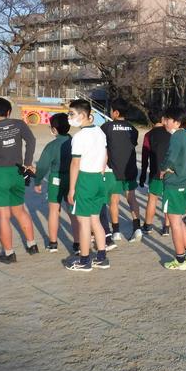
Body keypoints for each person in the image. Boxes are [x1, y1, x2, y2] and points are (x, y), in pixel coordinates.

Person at [0, 97, 38, 263]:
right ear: (9, 111)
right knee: (20, 210)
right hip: (17, 172)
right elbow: (31, 140)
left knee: (3, 216)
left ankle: (9, 253)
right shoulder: (19, 124)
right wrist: (28, 163)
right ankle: (32, 245)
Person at [66, 99, 109, 271]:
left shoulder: (79, 137)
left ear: (83, 115)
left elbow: (75, 163)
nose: (69, 117)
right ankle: (102, 257)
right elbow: (105, 155)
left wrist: (71, 189)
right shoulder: (100, 131)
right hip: (99, 178)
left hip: (85, 179)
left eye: (72, 114)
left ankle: (84, 261)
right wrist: (101, 172)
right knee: (95, 219)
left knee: (83, 222)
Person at [159, 106, 186, 270]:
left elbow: (170, 157)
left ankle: (180, 260)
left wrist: (163, 169)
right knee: (180, 220)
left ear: (176, 122)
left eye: (167, 119)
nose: (165, 122)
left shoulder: (176, 137)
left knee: (174, 222)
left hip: (176, 183)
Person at [33, 112, 79, 253]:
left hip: (55, 179)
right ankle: (77, 243)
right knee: (73, 212)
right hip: (73, 179)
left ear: (54, 129)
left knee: (54, 210)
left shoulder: (51, 145)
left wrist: (38, 181)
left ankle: (53, 243)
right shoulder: (75, 142)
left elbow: (42, 166)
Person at [101, 98, 141, 242]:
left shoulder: (107, 127)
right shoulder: (133, 129)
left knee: (114, 200)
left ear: (116, 113)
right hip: (130, 168)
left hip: (114, 169)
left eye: (112, 110)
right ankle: (137, 228)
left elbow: (104, 146)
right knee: (132, 198)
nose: (110, 113)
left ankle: (116, 231)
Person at [139, 109, 171, 236]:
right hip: (169, 172)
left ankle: (148, 225)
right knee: (167, 199)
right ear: (163, 119)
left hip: (155, 172)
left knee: (152, 199)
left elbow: (145, 157)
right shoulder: (171, 134)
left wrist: (143, 175)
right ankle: (166, 227)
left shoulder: (148, 135)